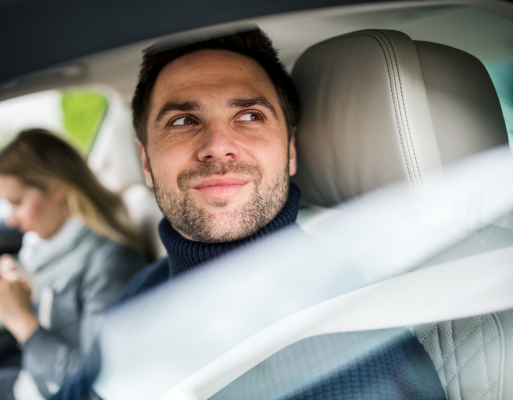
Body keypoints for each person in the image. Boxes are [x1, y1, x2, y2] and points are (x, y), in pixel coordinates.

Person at [51, 28, 446, 399]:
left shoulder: (353, 355)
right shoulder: (143, 291)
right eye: (183, 121)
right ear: (146, 161)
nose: (218, 146)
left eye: (250, 116)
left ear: (290, 150)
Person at [0, 129, 148, 400]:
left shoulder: (110, 264)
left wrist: (21, 320)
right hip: (32, 383)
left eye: (17, 202)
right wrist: (20, 299)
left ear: (59, 189)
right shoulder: (58, 250)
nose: (10, 220)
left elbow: (95, 387)